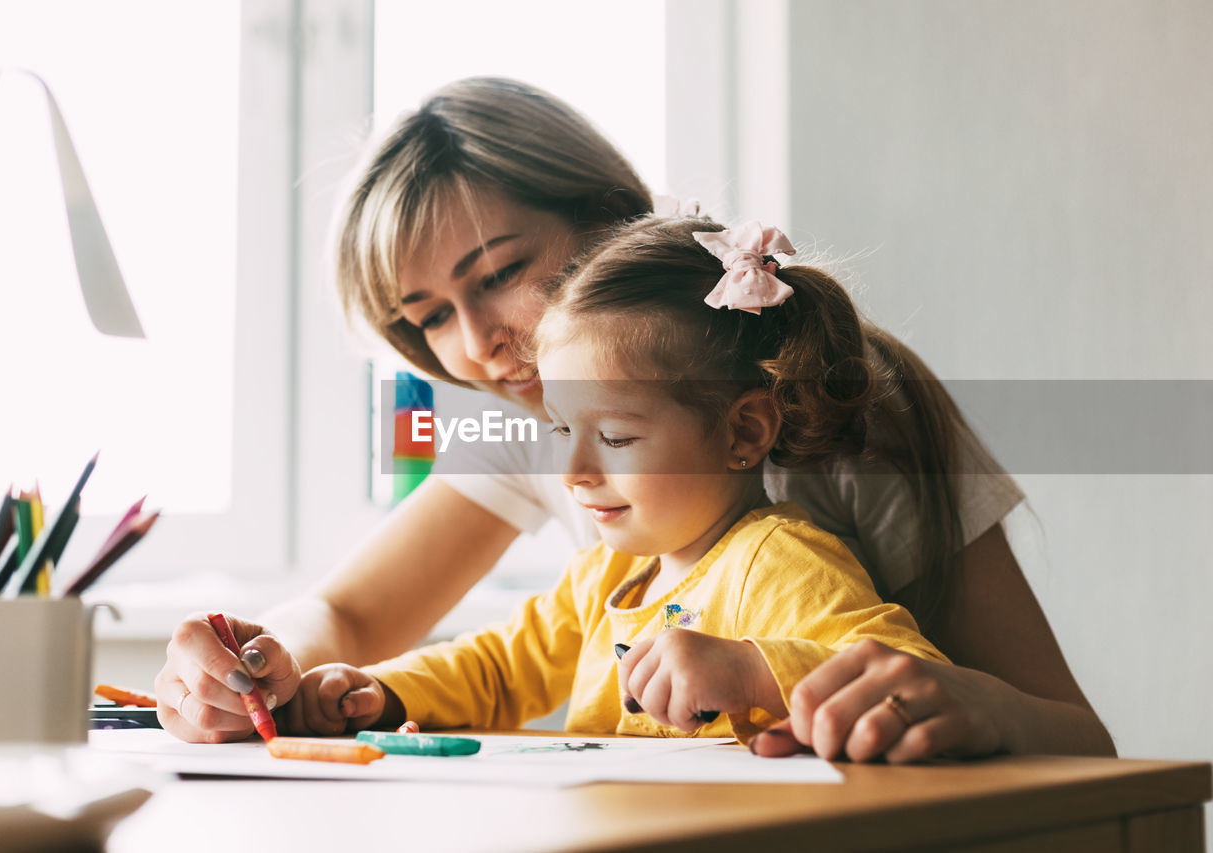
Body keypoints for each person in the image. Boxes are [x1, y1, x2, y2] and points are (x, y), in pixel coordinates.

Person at [155, 77, 1114, 761]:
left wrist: (963, 702)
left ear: (612, 220)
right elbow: (358, 615)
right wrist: (249, 665)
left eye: (498, 276)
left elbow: (1076, 736)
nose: (481, 344)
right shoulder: (541, 417)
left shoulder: (846, 412)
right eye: (430, 318)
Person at [280, 216, 946, 740]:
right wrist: (383, 690)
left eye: (617, 437)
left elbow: (912, 679)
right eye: (563, 430)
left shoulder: (779, 564)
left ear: (743, 432)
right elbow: (496, 668)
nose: (573, 473)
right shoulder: (604, 575)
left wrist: (754, 671)